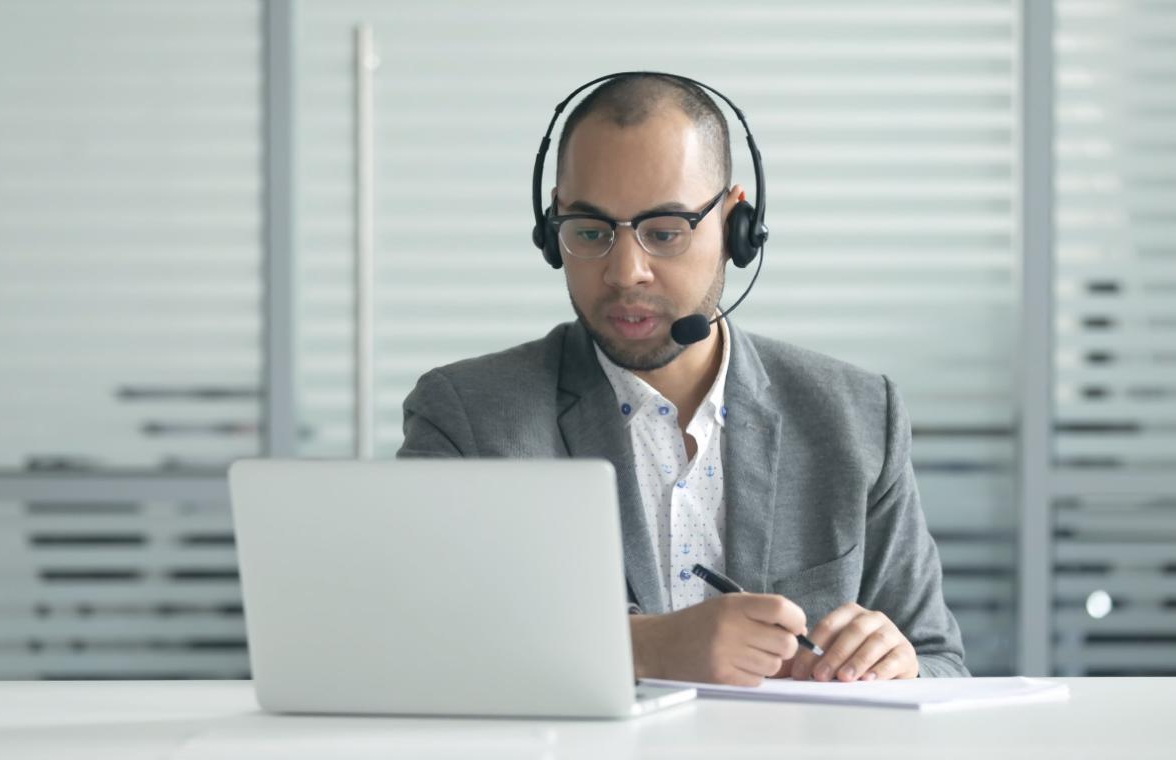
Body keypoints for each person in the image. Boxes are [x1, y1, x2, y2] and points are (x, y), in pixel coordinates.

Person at [398, 73, 968, 685]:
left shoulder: (857, 417)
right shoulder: (466, 418)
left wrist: (899, 667)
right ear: (551, 230)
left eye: (665, 233)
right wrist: (640, 648)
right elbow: (406, 647)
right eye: (589, 232)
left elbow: (942, 662)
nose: (625, 272)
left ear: (736, 226)